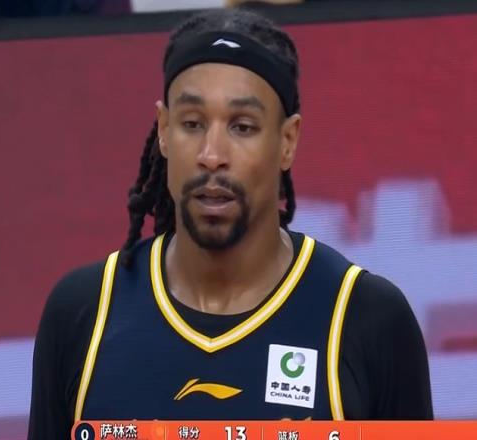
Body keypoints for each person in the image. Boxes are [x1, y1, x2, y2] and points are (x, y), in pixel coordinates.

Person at [27, 8, 433, 439]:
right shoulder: (84, 311)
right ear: (163, 130)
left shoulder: (366, 319)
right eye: (192, 124)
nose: (211, 155)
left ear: (287, 141)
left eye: (242, 127)